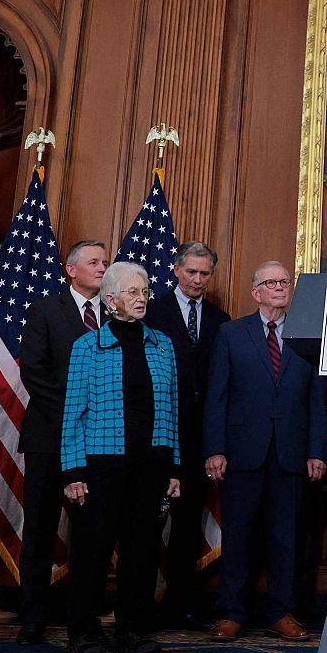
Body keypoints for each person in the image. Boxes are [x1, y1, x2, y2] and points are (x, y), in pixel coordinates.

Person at [59, 262, 182, 653]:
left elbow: (172, 410)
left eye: (144, 291)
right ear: (110, 300)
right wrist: (74, 471)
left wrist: (174, 467)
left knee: (142, 551)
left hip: (152, 464)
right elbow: (73, 414)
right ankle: (84, 631)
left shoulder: (163, 344)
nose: (142, 298)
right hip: (102, 465)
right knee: (92, 550)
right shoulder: (87, 348)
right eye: (132, 292)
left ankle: (132, 629)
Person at [203, 261, 327, 643]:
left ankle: (280, 612)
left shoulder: (308, 334)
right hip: (241, 453)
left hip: (291, 454)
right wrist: (215, 448)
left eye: (284, 282)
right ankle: (231, 613)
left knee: (284, 538)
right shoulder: (230, 333)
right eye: (270, 282)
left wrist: (317, 451)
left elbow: (316, 400)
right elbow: (217, 396)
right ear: (256, 292)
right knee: (239, 535)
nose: (279, 288)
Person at [15, 240, 109, 645]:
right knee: (39, 528)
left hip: (100, 443)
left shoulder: (115, 314)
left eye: (105, 263)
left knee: (93, 530)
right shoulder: (45, 310)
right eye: (93, 262)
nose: (102, 269)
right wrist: (74, 418)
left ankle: (82, 614)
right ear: (70, 270)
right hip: (48, 437)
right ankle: (33, 616)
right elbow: (34, 373)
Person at [143, 241, 230, 631]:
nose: (197, 280)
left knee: (187, 524)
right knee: (145, 521)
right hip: (157, 434)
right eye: (191, 272)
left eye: (204, 274)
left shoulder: (220, 319)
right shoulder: (152, 311)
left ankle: (180, 602)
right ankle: (140, 603)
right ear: (176, 270)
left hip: (198, 439)